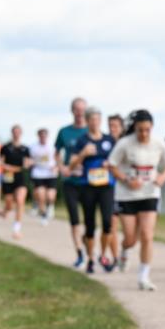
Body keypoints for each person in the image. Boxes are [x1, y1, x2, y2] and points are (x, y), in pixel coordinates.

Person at [108, 110, 165, 290]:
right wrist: (126, 180)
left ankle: (144, 276)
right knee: (131, 238)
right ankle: (124, 251)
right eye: (140, 130)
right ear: (134, 128)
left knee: (147, 235)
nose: (144, 134)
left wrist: (162, 178)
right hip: (127, 195)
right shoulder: (124, 144)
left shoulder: (159, 144)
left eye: (147, 130)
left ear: (152, 128)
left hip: (150, 193)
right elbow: (112, 165)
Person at [68, 107, 118, 274]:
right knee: (90, 224)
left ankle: (102, 254)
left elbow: (119, 160)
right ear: (87, 121)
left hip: (106, 186)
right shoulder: (82, 141)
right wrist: (83, 154)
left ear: (100, 121)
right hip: (87, 186)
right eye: (92, 120)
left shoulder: (109, 140)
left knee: (107, 223)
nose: (95, 122)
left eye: (97, 119)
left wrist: (109, 164)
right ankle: (90, 259)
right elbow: (71, 165)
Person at [55, 97, 89, 267]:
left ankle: (86, 240)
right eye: (77, 109)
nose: (80, 112)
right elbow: (56, 152)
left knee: (89, 220)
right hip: (70, 181)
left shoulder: (92, 130)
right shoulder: (64, 132)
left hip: (88, 181)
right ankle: (79, 253)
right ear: (72, 111)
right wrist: (61, 167)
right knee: (74, 219)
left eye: (82, 109)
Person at [0, 125, 32, 239]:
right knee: (9, 203)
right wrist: (7, 167)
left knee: (20, 200)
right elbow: (1, 162)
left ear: (21, 133)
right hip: (8, 177)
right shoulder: (5, 147)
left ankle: (16, 229)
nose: (16, 134)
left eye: (18, 132)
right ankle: (5, 210)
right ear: (12, 133)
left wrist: (17, 167)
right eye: (14, 132)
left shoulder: (25, 149)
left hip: (20, 178)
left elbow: (26, 165)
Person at [104, 114, 125, 269]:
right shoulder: (105, 144)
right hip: (110, 189)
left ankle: (124, 253)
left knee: (130, 228)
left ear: (122, 128)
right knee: (112, 225)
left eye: (115, 126)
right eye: (110, 126)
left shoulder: (128, 144)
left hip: (128, 191)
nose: (112, 129)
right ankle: (115, 257)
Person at [29, 128, 58, 224]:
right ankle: (44, 215)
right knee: (41, 196)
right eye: (41, 135)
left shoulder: (52, 146)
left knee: (50, 196)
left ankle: (50, 206)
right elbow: (29, 159)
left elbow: (58, 158)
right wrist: (30, 163)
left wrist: (57, 166)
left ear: (47, 136)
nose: (43, 137)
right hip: (38, 173)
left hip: (51, 173)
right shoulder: (33, 147)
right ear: (38, 136)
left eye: (45, 135)